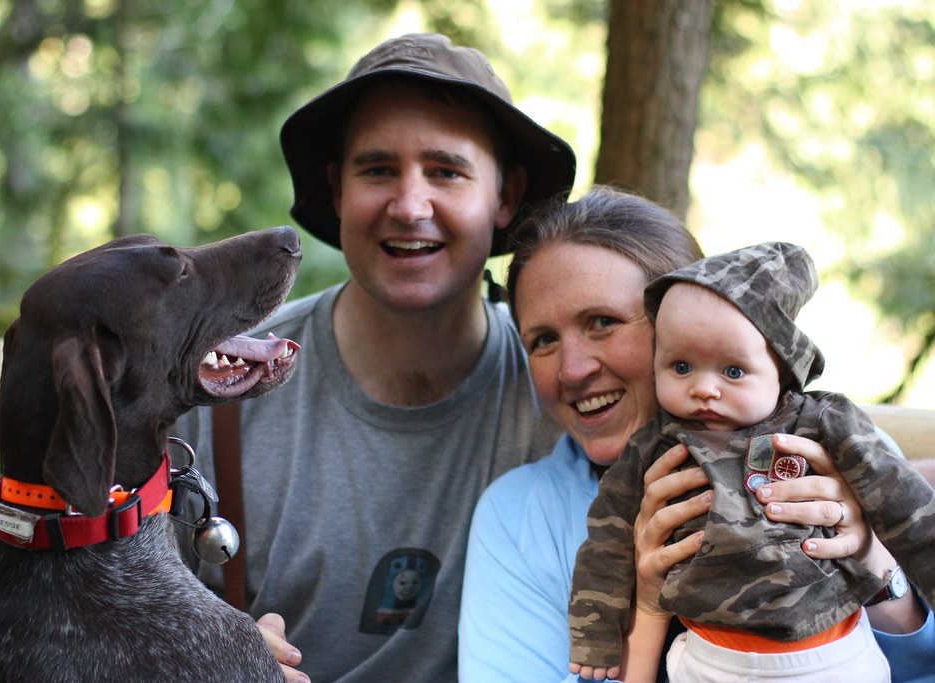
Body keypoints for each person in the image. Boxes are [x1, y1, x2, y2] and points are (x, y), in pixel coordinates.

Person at [176, 33, 576, 682]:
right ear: (337, 189)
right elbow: (103, 620)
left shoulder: (566, 394)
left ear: (507, 194)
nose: (409, 205)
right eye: (378, 169)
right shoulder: (220, 387)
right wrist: (200, 657)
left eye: (446, 171)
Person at [458, 187, 935, 682]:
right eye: (544, 341)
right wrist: (646, 609)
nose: (572, 370)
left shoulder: (830, 451)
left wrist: (871, 559)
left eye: (602, 322)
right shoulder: (516, 516)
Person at [568, 241, 935, 682]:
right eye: (681, 366)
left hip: (829, 647)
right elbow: (607, 541)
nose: (705, 388)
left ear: (780, 370)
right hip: (712, 655)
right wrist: (595, 635)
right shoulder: (654, 446)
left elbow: (907, 507)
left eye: (733, 371)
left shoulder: (821, 424)